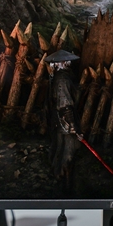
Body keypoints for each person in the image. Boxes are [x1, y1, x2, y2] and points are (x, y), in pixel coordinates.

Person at [44, 50, 81, 189]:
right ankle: (65, 185)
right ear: (63, 63)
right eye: (67, 61)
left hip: (59, 121)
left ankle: (60, 180)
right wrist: (72, 125)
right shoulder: (62, 80)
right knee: (68, 152)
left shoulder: (59, 77)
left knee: (60, 149)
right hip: (64, 122)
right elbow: (64, 105)